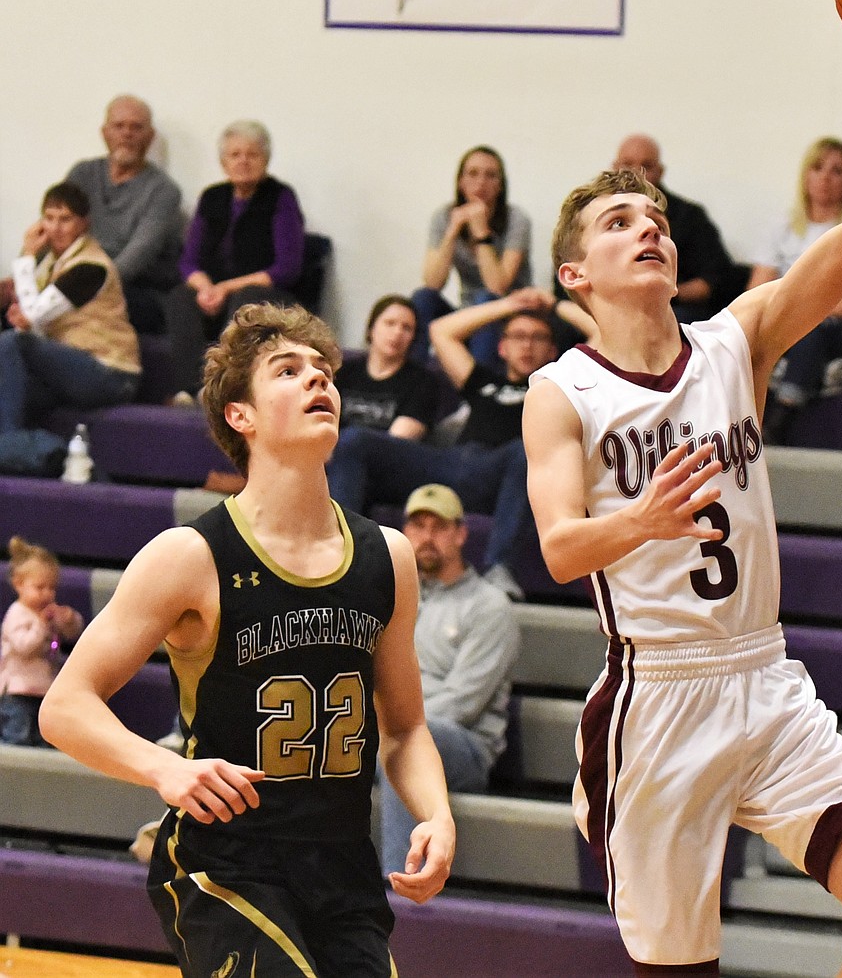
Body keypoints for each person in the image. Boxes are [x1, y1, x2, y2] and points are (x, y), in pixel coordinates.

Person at [523, 0, 842, 976]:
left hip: (766, 678)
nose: (645, 227)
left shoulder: (737, 339)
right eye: (616, 221)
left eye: (651, 216)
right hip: (658, 697)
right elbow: (562, 546)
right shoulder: (563, 390)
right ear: (576, 273)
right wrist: (645, 518)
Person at [40, 301, 454, 976]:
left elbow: (404, 729)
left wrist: (435, 813)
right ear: (242, 414)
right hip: (226, 866)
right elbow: (65, 706)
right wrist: (165, 768)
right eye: (288, 371)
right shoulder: (190, 554)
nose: (319, 380)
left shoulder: (391, 556)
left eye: (324, 370)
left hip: (343, 867)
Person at [327, 289, 562, 599]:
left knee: (525, 450)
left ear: (553, 351)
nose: (528, 345)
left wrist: (556, 304)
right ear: (502, 347)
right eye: (518, 336)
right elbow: (441, 331)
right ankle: (339, 557)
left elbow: (597, 335)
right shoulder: (482, 380)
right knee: (356, 440)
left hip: (498, 471)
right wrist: (511, 304)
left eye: (538, 338)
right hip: (447, 462)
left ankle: (498, 567)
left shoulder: (559, 388)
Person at [379, 482, 520, 873]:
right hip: (388, 731)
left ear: (460, 534)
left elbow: (463, 703)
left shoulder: (490, 607)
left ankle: (402, 900)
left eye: (439, 527)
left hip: (464, 747)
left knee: (409, 744)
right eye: (418, 525)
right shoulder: (394, 597)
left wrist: (393, 727)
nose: (427, 537)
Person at [748, 137, 842, 436]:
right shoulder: (780, 227)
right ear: (805, 175)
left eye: (837, 171)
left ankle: (782, 416)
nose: (825, 178)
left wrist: (801, 308)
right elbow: (756, 292)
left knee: (811, 329)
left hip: (837, 328)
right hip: (785, 320)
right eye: (817, 167)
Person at [165, 120, 305, 401]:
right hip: (216, 295)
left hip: (267, 295)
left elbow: (286, 268)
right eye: (235, 155)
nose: (243, 161)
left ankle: (226, 387)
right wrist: (205, 287)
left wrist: (225, 288)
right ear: (223, 162)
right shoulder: (211, 197)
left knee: (247, 299)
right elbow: (188, 261)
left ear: (265, 160)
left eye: (252, 155)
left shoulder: (281, 197)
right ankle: (191, 389)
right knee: (181, 297)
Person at [1, 182, 141, 434]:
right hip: (72, 367)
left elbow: (32, 317)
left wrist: (27, 255)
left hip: (110, 372)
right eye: (49, 218)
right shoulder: (52, 263)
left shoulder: (90, 266)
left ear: (84, 223)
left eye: (65, 219)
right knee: (13, 390)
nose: (55, 228)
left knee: (14, 343)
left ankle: (8, 442)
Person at [64, 95, 183, 334]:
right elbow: (55, 230)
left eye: (136, 127)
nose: (127, 134)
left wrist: (75, 289)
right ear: (105, 133)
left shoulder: (163, 191)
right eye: (119, 126)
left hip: (137, 290)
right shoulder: (82, 174)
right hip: (79, 278)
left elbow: (134, 260)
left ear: (149, 137)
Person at [412, 146, 532, 366]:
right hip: (464, 311)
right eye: (473, 173)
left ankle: (480, 389)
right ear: (460, 181)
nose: (481, 183)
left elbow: (497, 286)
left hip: (508, 309)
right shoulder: (444, 216)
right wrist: (452, 232)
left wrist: (480, 232)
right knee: (423, 298)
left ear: (500, 185)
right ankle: (412, 381)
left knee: (485, 299)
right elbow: (432, 282)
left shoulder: (517, 220)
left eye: (490, 175)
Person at [613, 135, 737, 324]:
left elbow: (714, 280)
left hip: (673, 307)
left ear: (660, 171)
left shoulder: (690, 217)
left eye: (646, 166)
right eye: (628, 165)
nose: (637, 174)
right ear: (615, 168)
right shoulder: (594, 215)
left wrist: (665, 294)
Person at [1, 537, 84, 745]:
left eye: (52, 588)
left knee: (42, 740)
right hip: (18, 691)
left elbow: (72, 633)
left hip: (44, 689)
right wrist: (40, 624)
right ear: (19, 584)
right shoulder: (17, 613)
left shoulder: (47, 614)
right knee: (17, 737)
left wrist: (68, 619)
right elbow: (24, 646)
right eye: (40, 587)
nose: (47, 594)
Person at [336, 295, 442, 441]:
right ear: (371, 329)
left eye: (407, 328)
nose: (398, 332)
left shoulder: (423, 382)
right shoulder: (344, 372)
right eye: (390, 323)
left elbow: (395, 442)